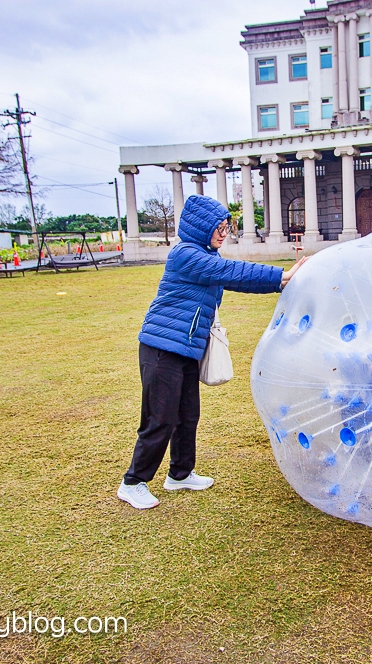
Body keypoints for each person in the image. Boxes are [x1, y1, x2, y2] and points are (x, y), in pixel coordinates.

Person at [118, 195, 308, 510]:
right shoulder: (186, 254)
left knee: (186, 415)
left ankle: (180, 474)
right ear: (201, 227)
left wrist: (278, 283)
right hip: (161, 348)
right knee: (159, 418)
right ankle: (134, 482)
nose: (223, 233)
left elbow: (232, 278)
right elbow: (232, 272)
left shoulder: (204, 254)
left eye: (225, 227)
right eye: (217, 228)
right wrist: (279, 278)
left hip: (188, 348)